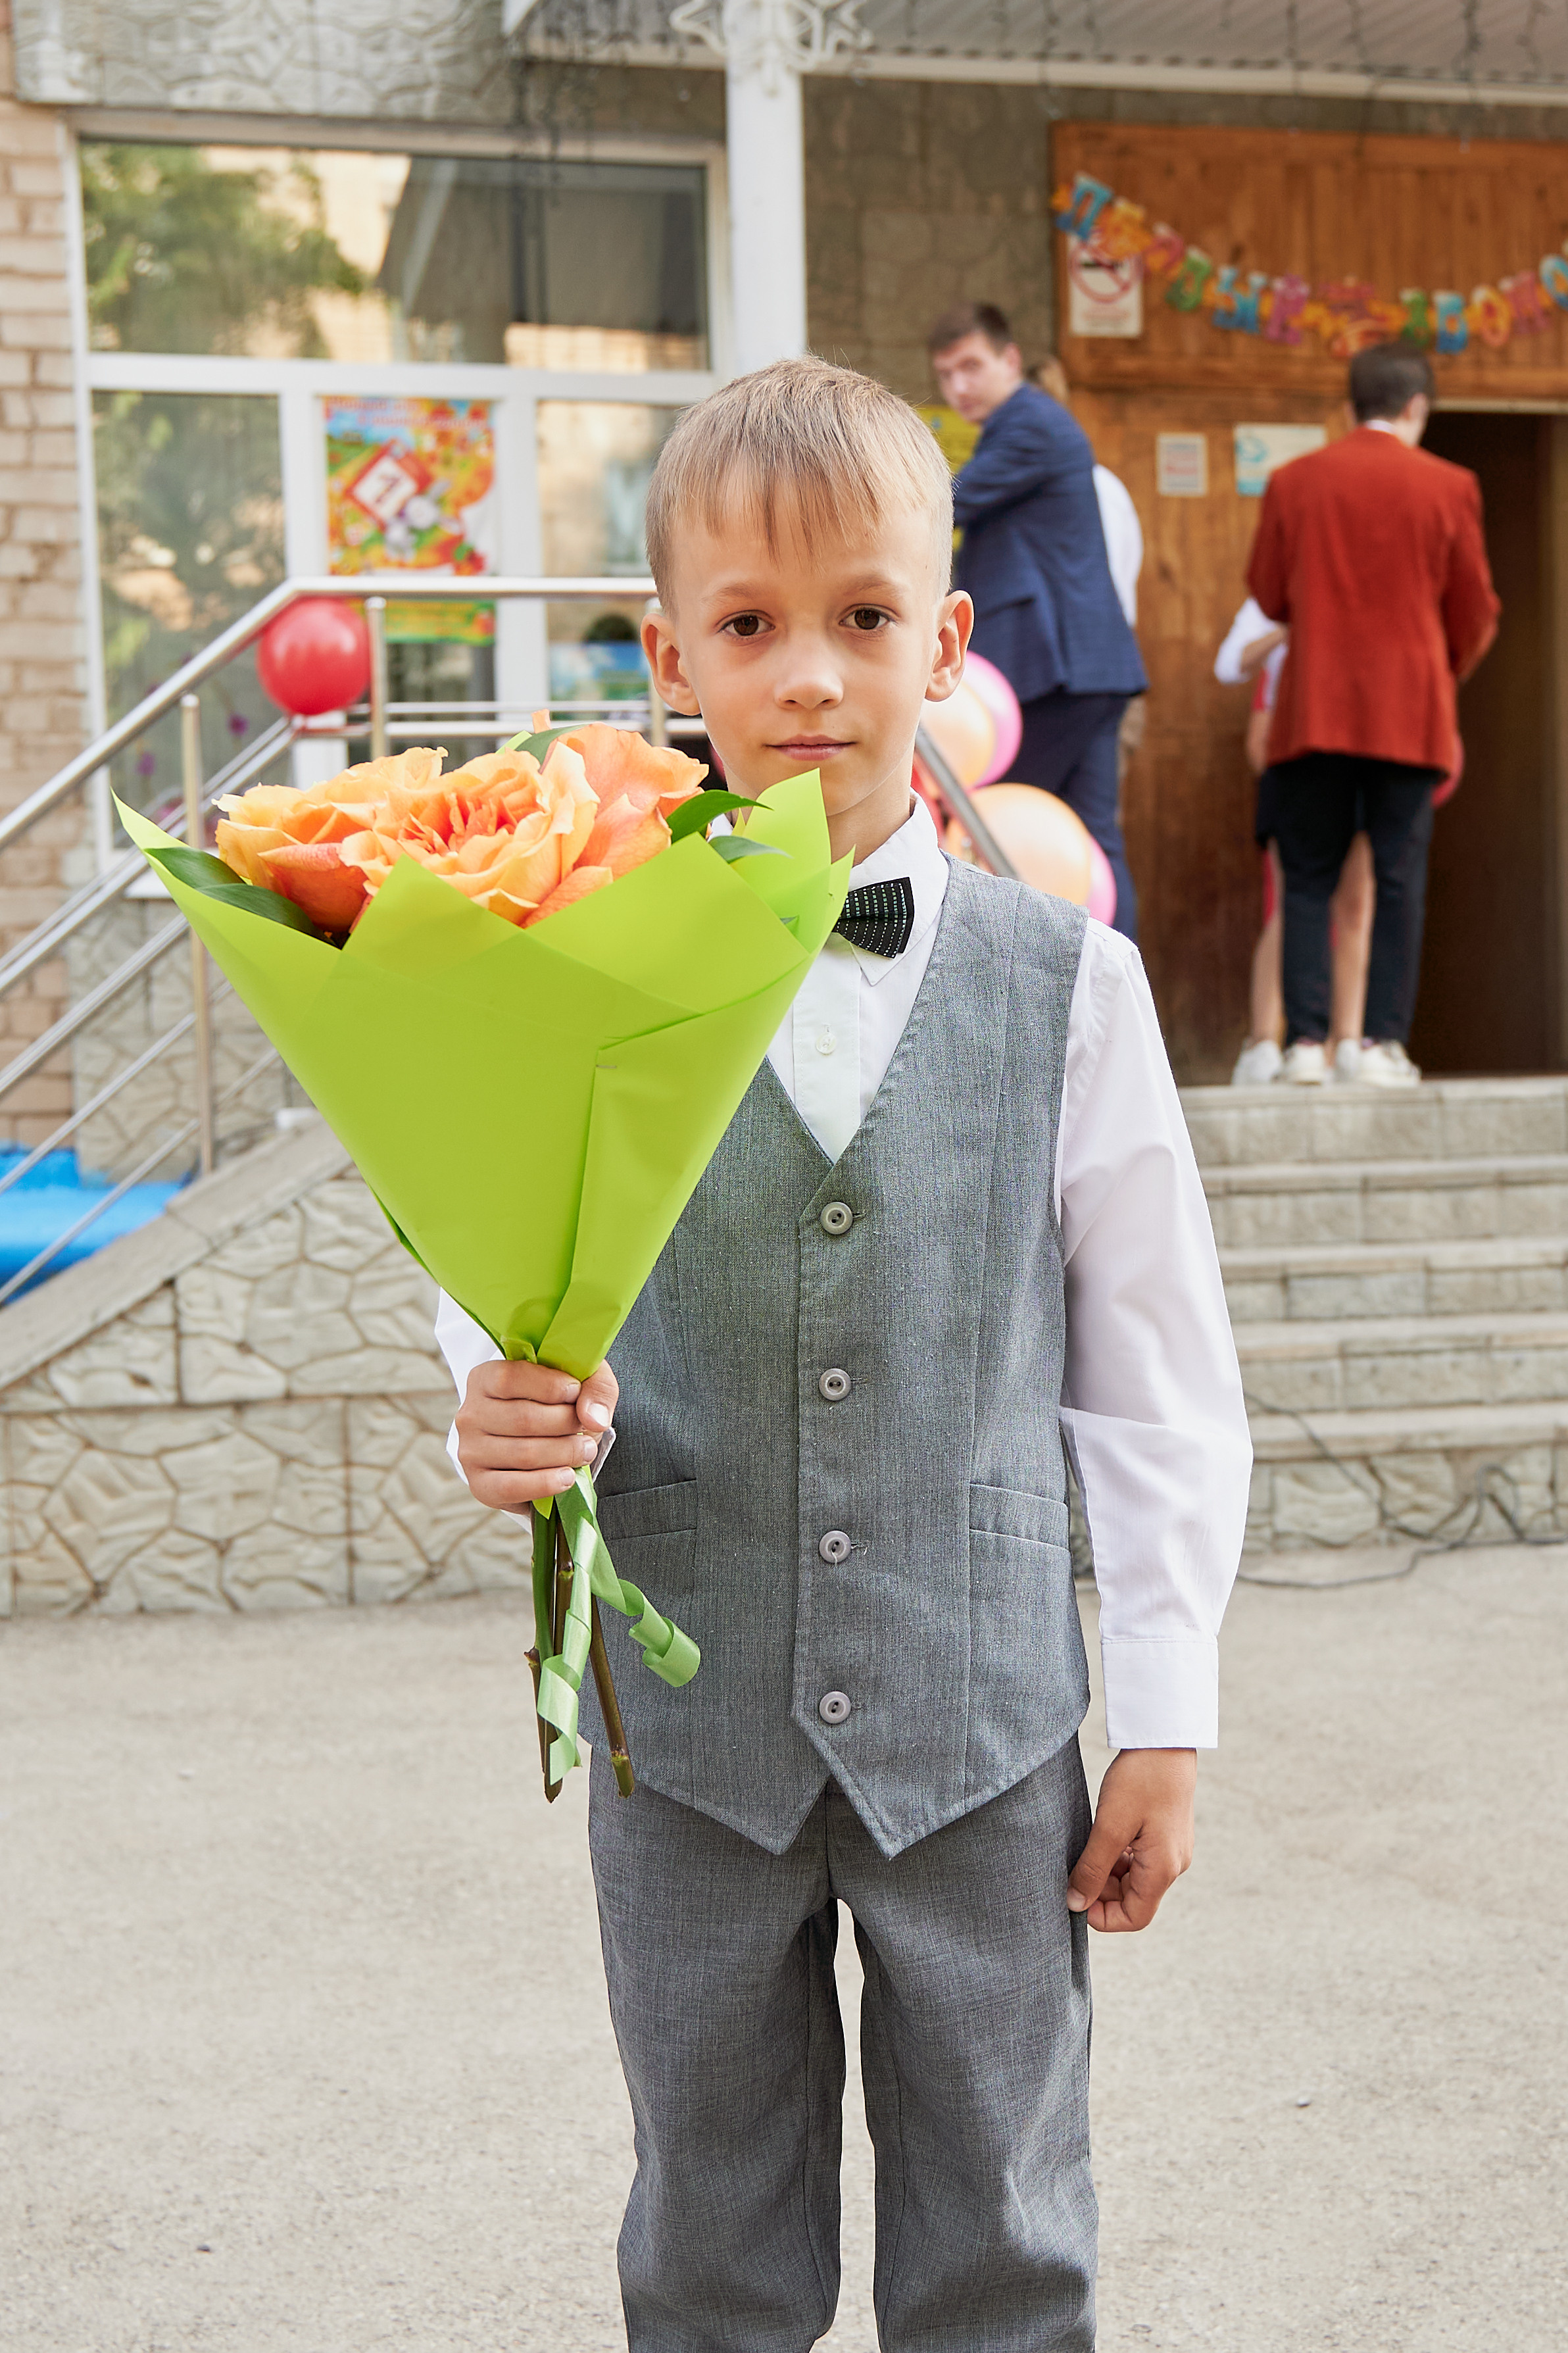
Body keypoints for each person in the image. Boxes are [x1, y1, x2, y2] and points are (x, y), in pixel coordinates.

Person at [438, 356, 1251, 2351]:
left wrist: (1158, 1701)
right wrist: (490, 1390)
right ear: (670, 656)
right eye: (748, 624)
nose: (806, 672)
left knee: (999, 2226)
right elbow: (496, 1259)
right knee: (705, 2237)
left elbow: (1148, 1365)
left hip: (981, 1730)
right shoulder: (580, 967)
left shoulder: (1069, 984)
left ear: (945, 640)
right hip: (686, 1734)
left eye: (861, 618)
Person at [1247, 342, 1500, 1086]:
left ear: (1350, 405)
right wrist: (1432, 668)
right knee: (1395, 879)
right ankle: (1379, 1046)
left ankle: (1303, 1047)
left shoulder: (1294, 482)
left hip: (1313, 711)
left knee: (1305, 879)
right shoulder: (1450, 485)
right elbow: (1475, 611)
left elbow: (1267, 594)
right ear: (1416, 407)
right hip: (1407, 718)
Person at [931, 301, 1148, 939]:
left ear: (1009, 360)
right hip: (1084, 670)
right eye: (944, 376)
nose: (958, 387)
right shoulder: (1027, 424)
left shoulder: (1026, 423)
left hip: (1054, 670)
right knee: (1092, 839)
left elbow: (943, 505)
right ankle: (1114, 1002)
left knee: (990, 830)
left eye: (970, 366)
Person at [1213, 596, 1375, 1086]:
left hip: (1364, 763)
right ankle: (1266, 1042)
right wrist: (1293, 625)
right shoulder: (1281, 600)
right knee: (1291, 906)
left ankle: (1346, 1045)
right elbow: (1231, 668)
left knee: (1356, 906)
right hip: (1299, 775)